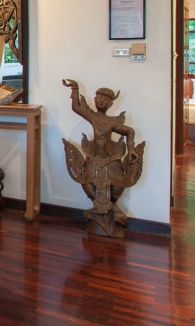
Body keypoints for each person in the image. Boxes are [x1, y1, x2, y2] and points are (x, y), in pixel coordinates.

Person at [61, 79, 145, 237]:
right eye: (98, 98)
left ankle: (111, 209)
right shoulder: (92, 116)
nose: (100, 101)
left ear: (110, 104)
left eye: (104, 100)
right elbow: (77, 107)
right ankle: (101, 210)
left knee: (117, 185)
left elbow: (129, 131)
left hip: (111, 158)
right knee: (86, 181)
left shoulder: (113, 122)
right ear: (94, 100)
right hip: (93, 157)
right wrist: (75, 89)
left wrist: (131, 149)